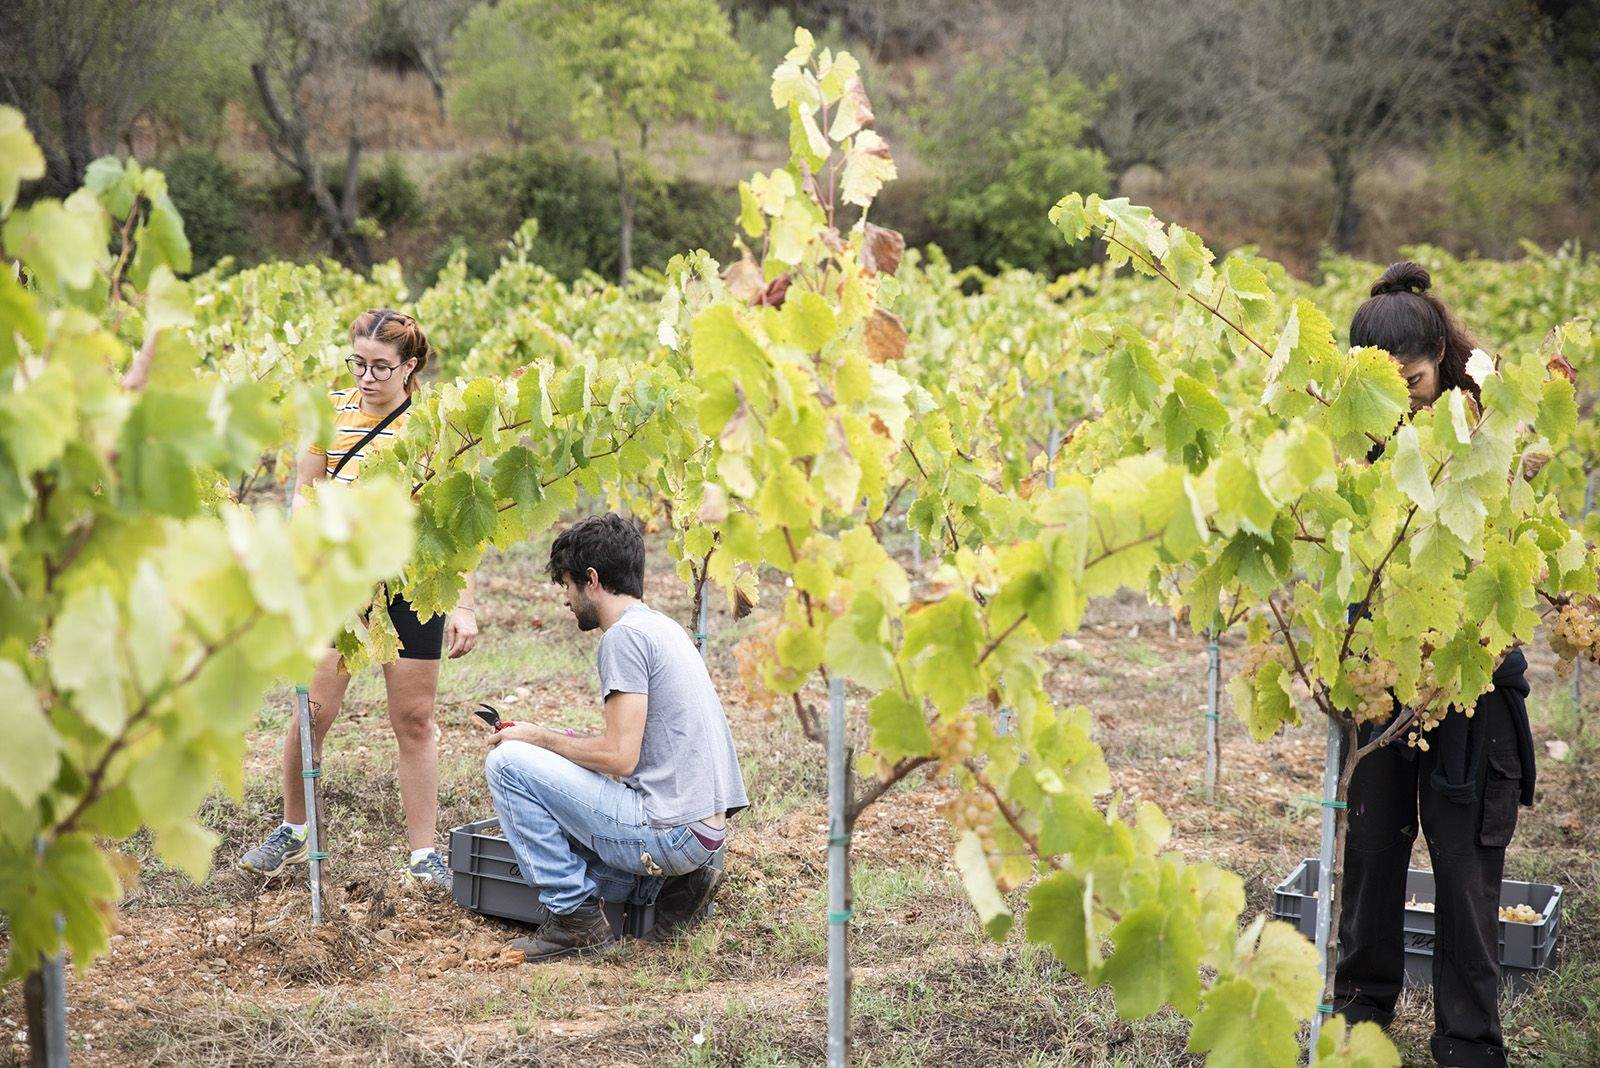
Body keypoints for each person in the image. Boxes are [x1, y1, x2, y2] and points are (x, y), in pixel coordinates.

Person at [1334, 263, 1536, 1068]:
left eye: (1413, 381)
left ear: (1442, 358)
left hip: (1468, 673)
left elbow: (1511, 556)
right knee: (1372, 853)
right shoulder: (1356, 430)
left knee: (1465, 869)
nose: (1404, 400)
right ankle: (1360, 1014)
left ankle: (1469, 1044)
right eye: (1385, 387)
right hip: (1381, 672)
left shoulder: (1488, 427)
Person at [239, 308, 480, 891]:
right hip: (340, 584)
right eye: (358, 364)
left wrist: (466, 603)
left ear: (410, 366)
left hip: (413, 586)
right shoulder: (328, 415)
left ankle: (423, 854)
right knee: (312, 712)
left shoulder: (433, 427)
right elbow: (305, 495)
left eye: (380, 367)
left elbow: (456, 526)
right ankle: (293, 829)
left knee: (414, 719)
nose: (367, 377)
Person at [483, 514, 748, 961]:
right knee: (552, 789)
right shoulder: (661, 627)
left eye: (567, 585)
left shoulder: (623, 639)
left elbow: (620, 756)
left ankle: (575, 920)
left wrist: (540, 739)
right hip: (704, 833)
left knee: (506, 764)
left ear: (591, 580)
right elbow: (638, 744)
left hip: (670, 834)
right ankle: (675, 887)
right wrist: (549, 739)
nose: (566, 600)